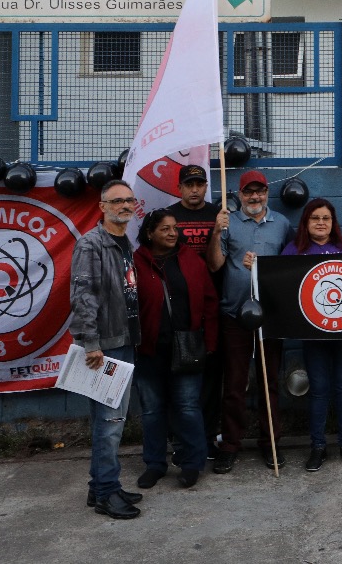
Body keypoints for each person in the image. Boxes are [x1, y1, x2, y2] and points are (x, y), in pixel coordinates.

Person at [206, 170, 293, 474]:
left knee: (269, 382)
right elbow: (215, 264)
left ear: (268, 192)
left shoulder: (281, 224)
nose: (255, 197)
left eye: (260, 192)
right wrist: (217, 232)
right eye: (248, 193)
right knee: (234, 384)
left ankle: (270, 442)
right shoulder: (229, 223)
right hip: (235, 314)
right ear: (240, 195)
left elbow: (290, 266)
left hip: (269, 317)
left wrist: (266, 266)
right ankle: (230, 445)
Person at [69, 179, 144, 519]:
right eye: (116, 201)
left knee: (107, 419)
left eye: (128, 200)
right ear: (102, 207)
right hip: (106, 346)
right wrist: (92, 343)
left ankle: (99, 484)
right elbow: (83, 296)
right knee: (111, 421)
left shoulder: (123, 241)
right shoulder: (91, 245)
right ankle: (106, 495)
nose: (124, 206)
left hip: (124, 340)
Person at [131, 209, 219, 490]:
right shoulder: (135, 262)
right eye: (165, 229)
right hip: (149, 350)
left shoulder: (191, 260)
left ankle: (192, 463)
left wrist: (211, 342)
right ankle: (155, 465)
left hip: (188, 346)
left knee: (188, 407)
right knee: (152, 410)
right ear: (149, 233)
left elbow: (209, 301)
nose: (172, 233)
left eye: (174, 228)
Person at [283, 198, 342, 472]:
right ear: (306, 222)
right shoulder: (294, 251)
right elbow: (281, 284)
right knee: (318, 390)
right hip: (313, 334)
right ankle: (317, 446)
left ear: (333, 222)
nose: (320, 222)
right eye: (315, 217)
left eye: (326, 218)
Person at [166, 163, 224, 459]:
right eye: (189, 184)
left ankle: (209, 437)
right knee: (181, 378)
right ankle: (181, 440)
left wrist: (220, 229)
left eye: (199, 184)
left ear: (205, 186)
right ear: (179, 188)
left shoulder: (219, 215)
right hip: (180, 311)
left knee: (212, 378)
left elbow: (221, 263)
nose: (194, 189)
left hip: (213, 308)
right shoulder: (169, 217)